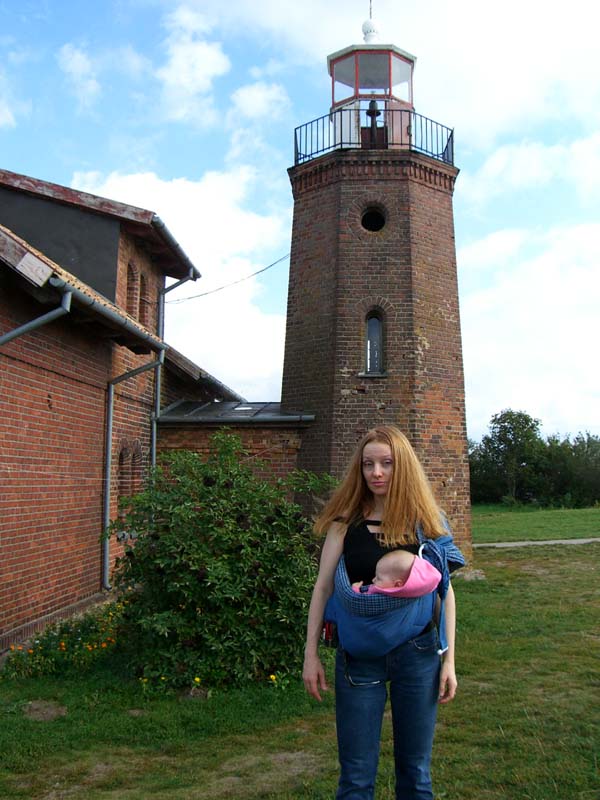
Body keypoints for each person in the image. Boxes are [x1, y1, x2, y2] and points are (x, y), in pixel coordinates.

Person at [302, 425, 464, 800]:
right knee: (356, 777)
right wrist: (311, 654)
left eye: (387, 463)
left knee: (416, 773)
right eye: (368, 464)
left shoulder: (426, 522)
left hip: (418, 656)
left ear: (402, 466)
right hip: (359, 657)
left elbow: (446, 593)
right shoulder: (346, 523)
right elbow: (323, 587)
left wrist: (449, 660)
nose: (376, 472)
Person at [351, 549, 442, 597]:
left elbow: (359, 601)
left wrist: (355, 589)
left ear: (397, 584)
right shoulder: (416, 593)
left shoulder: (380, 593)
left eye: (378, 578)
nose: (373, 579)